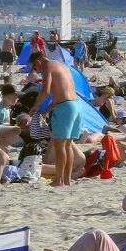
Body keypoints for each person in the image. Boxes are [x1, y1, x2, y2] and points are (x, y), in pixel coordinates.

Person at [29, 50, 81, 187]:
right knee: (67, 145)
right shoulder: (61, 66)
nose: (37, 71)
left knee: (59, 145)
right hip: (75, 105)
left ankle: (58, 180)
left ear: (39, 62)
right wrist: (45, 111)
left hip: (64, 107)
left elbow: (45, 91)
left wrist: (35, 106)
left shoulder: (47, 66)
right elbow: (60, 94)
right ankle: (67, 179)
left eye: (35, 67)